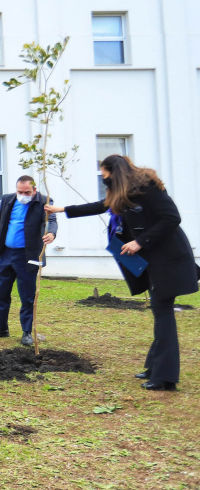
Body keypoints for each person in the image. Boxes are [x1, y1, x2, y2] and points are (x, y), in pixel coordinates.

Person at [45, 155, 199, 392]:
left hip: (169, 258)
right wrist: (62, 209)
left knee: (163, 311)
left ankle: (166, 377)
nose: (104, 180)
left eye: (104, 175)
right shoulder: (122, 191)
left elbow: (172, 218)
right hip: (154, 260)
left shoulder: (146, 187)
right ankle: (155, 368)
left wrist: (140, 242)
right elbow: (101, 205)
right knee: (160, 311)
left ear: (114, 172)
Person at [0, 176, 58, 346]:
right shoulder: (8, 199)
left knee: (27, 297)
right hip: (7, 254)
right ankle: (0, 328)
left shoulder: (44, 202)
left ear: (35, 191)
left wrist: (51, 233)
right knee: (0, 293)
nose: (22, 195)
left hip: (28, 257)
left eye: (27, 192)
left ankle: (26, 332)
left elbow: (52, 220)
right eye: (20, 191)